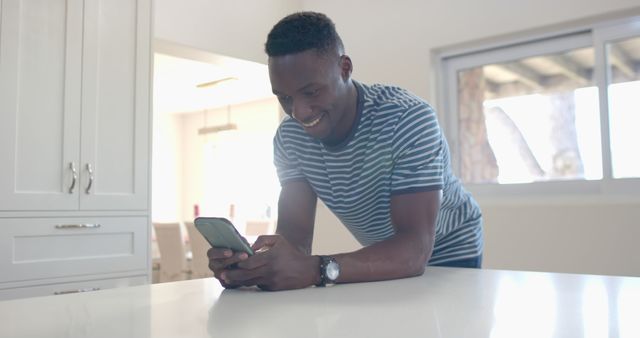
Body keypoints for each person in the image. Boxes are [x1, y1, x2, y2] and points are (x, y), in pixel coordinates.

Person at [207, 11, 483, 291]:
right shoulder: (290, 139)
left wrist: (317, 269)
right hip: (389, 252)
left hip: (448, 247)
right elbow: (295, 240)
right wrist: (256, 267)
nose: (299, 112)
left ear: (345, 68)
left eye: (311, 92)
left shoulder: (406, 119)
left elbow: (414, 250)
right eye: (285, 98)